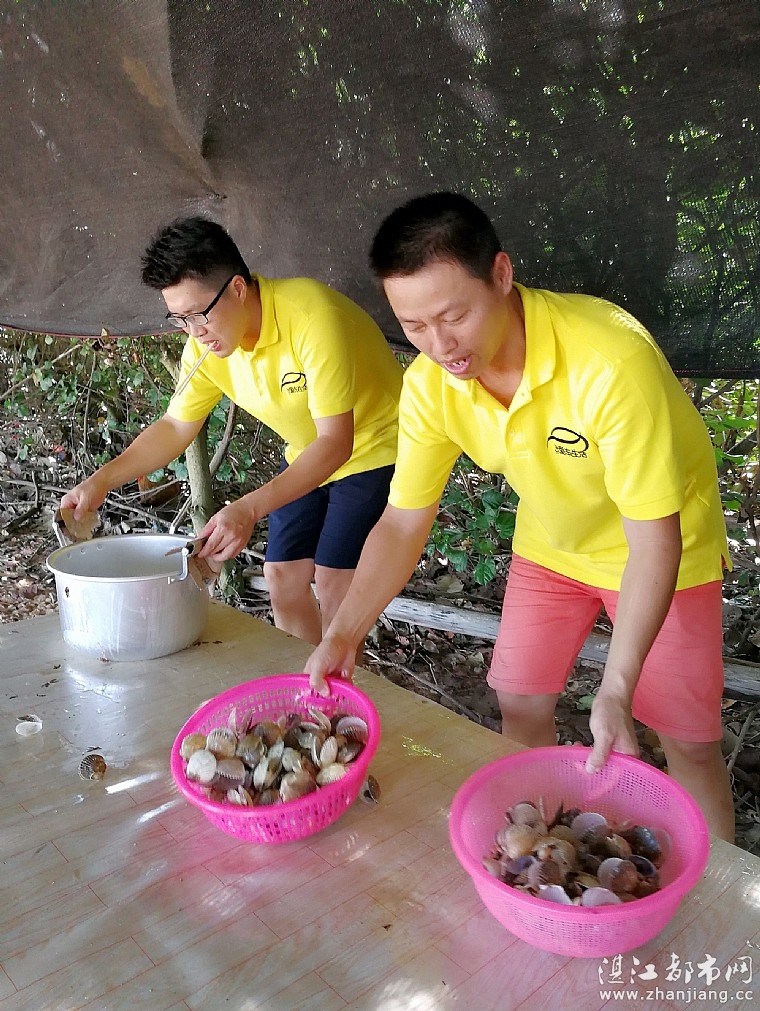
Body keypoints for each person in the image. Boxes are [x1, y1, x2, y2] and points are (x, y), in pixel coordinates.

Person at [304, 192, 735, 842]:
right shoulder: (430, 386)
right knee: (520, 701)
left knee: (689, 743)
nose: (440, 345)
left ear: (501, 275)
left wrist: (615, 689)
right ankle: (541, 852)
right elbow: (401, 522)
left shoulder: (609, 361)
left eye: (454, 315)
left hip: (663, 546)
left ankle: (713, 886)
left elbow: (653, 541)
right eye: (414, 325)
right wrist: (343, 632)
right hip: (552, 543)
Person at [61, 217, 403, 648]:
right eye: (180, 319)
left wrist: (247, 509)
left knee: (335, 582)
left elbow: (337, 442)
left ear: (238, 288)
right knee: (282, 577)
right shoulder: (206, 347)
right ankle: (303, 680)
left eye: (198, 314)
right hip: (309, 452)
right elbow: (175, 426)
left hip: (377, 446)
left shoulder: (312, 317)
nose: (194, 332)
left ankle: (341, 685)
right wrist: (101, 481)